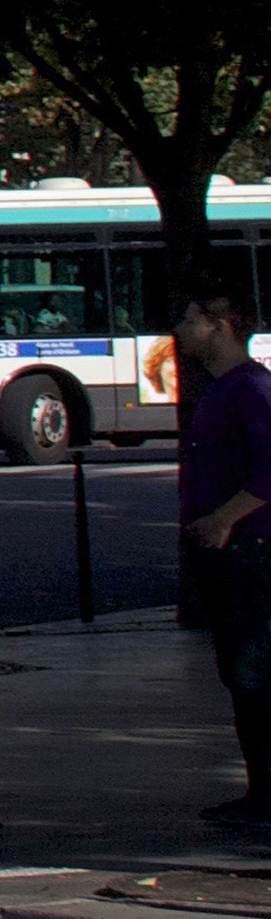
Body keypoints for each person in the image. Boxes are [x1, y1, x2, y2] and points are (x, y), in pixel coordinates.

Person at [177, 286, 271, 837]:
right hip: (228, 556)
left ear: (221, 324)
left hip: (248, 555)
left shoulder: (250, 389)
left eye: (192, 318)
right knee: (243, 676)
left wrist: (224, 518)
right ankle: (260, 791)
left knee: (255, 674)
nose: (182, 329)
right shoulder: (222, 391)